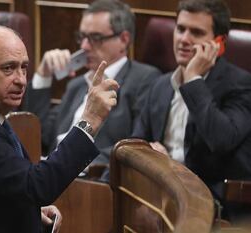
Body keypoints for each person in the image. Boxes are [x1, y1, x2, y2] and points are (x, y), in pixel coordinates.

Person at [0, 25, 119, 233]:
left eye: (24, 67)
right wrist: (89, 120)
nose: (20, 80)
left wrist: (26, 211)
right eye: (8, 68)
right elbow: (37, 187)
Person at [132, 0, 251, 221]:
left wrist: (194, 80)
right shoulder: (159, 85)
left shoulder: (242, 85)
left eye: (196, 32)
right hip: (159, 196)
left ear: (219, 42)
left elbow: (221, 139)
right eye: (180, 29)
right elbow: (136, 143)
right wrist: (150, 155)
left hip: (213, 206)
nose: (184, 39)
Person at [24, 0, 161, 180]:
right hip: (48, 177)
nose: (84, 46)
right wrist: (43, 75)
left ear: (124, 39)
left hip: (92, 183)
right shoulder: (77, 85)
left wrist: (71, 162)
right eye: (82, 37)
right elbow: (40, 137)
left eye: (95, 38)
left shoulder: (144, 79)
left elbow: (134, 147)